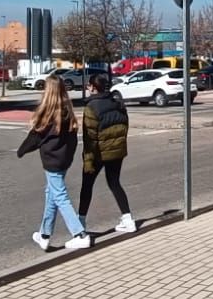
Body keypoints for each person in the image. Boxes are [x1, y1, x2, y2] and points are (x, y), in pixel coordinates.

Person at [16, 77, 89, 250]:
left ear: (48, 91)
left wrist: (21, 150)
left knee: (60, 196)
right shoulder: (67, 111)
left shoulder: (48, 114)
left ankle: (79, 234)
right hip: (64, 160)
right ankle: (44, 234)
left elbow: (35, 137)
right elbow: (72, 140)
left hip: (52, 161)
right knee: (52, 194)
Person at [80, 75, 136, 233]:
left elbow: (89, 138)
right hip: (117, 152)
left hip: (98, 152)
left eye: (88, 85)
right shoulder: (117, 102)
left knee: (87, 186)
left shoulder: (92, 107)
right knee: (114, 183)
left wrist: (88, 161)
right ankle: (128, 220)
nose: (87, 88)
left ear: (93, 87)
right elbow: (124, 126)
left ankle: (80, 224)